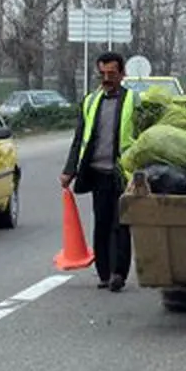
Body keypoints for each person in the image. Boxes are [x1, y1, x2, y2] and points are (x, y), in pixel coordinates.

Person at [60, 51, 141, 293]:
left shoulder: (133, 101)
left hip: (123, 173)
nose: (106, 78)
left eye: (112, 74)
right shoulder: (90, 101)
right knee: (102, 223)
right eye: (103, 73)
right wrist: (69, 170)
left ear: (122, 74)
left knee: (121, 224)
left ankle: (119, 273)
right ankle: (104, 273)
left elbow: (144, 136)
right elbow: (79, 140)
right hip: (97, 172)